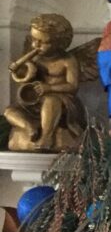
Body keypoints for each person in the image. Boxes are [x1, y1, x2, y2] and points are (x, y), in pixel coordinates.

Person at [6, 14, 91, 151]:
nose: (35, 45)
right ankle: (29, 127)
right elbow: (25, 79)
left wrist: (49, 87)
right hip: (36, 101)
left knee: (50, 101)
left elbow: (73, 86)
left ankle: (46, 137)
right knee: (10, 111)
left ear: (59, 43)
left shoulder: (68, 60)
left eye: (42, 42)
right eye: (34, 39)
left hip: (63, 102)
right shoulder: (35, 57)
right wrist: (25, 73)